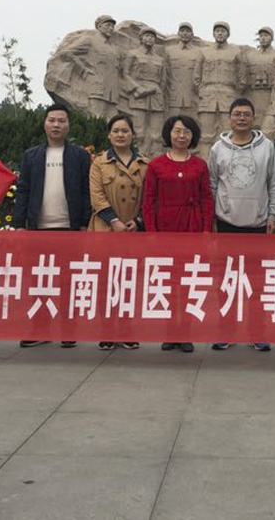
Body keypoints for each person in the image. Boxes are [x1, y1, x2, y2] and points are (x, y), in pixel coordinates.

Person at [13, 104, 92, 348]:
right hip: (39, 229)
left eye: (61, 121)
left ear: (69, 125)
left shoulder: (80, 156)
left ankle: (69, 330)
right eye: (52, 120)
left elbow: (86, 191)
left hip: (69, 228)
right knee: (40, 281)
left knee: (68, 281)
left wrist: (84, 223)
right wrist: (19, 224)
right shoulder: (32, 156)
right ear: (45, 123)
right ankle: (40, 329)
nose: (56, 125)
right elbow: (23, 189)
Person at [208, 98, 275, 352]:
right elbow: (212, 185)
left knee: (256, 283)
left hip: (257, 224)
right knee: (227, 282)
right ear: (229, 118)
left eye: (246, 114)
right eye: (237, 114)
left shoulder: (267, 147)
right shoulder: (218, 148)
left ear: (253, 118)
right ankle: (225, 331)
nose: (241, 118)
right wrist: (212, 219)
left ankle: (257, 332)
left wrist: (273, 214)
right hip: (227, 223)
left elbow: (273, 183)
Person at [143, 115, 214, 353]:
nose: (181, 136)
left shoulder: (200, 165)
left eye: (186, 132)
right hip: (166, 228)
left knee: (188, 282)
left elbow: (206, 198)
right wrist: (151, 232)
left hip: (192, 227)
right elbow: (149, 200)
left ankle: (185, 332)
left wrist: (206, 229)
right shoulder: (156, 165)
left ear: (193, 136)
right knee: (168, 282)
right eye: (177, 131)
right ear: (169, 134)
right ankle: (170, 332)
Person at [89, 113, 149, 350]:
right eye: (116, 131)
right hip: (106, 229)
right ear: (109, 135)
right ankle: (106, 330)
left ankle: (126, 330)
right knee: (106, 282)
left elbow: (149, 197)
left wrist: (138, 220)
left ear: (133, 134)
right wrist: (113, 221)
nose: (120, 135)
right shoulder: (99, 163)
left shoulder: (144, 164)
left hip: (132, 231)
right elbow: (96, 195)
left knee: (128, 282)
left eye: (125, 131)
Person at [195, 21, 245, 148]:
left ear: (228, 34)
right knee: (205, 135)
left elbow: (242, 78)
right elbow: (196, 76)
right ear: (213, 33)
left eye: (223, 31)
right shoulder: (204, 52)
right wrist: (203, 91)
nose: (220, 33)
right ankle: (205, 158)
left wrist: (234, 92)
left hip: (228, 95)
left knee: (229, 133)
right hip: (208, 95)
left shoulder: (236, 52)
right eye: (217, 31)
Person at [122, 26, 167, 156]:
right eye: (147, 36)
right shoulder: (133, 54)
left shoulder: (159, 59)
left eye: (152, 36)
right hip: (139, 94)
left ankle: (155, 158)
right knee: (138, 131)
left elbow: (163, 80)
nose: (150, 38)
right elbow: (125, 74)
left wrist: (158, 91)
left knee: (156, 134)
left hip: (156, 94)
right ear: (141, 38)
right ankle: (136, 156)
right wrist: (137, 88)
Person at [165, 22, 203, 120]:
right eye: (182, 31)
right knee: (172, 123)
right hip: (173, 97)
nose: (185, 33)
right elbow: (165, 74)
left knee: (193, 124)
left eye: (187, 31)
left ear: (192, 34)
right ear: (178, 33)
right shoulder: (169, 51)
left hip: (192, 97)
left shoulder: (199, 52)